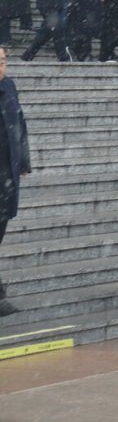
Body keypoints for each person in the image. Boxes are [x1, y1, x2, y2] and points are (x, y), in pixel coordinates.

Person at [0, 46, 30, 317]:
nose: (1, 67)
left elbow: (19, 123)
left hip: (6, 175)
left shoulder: (9, 86)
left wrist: (23, 161)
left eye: (3, 61)